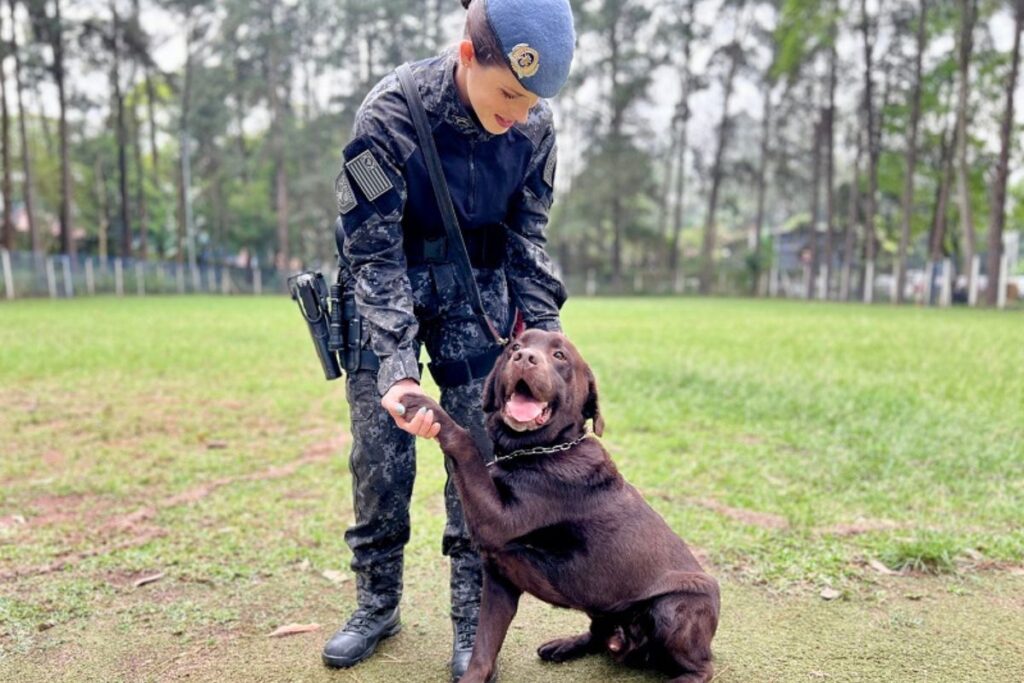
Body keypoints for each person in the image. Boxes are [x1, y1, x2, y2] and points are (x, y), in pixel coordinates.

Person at [321, 0, 576, 680]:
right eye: (509, 95)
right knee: (380, 458)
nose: (518, 114)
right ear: (469, 56)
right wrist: (398, 368)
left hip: (478, 297)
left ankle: (472, 623)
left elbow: (527, 242)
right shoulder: (387, 118)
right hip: (387, 293)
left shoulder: (535, 129)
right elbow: (372, 256)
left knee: (479, 461)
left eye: (531, 102)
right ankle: (377, 605)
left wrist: (551, 347)